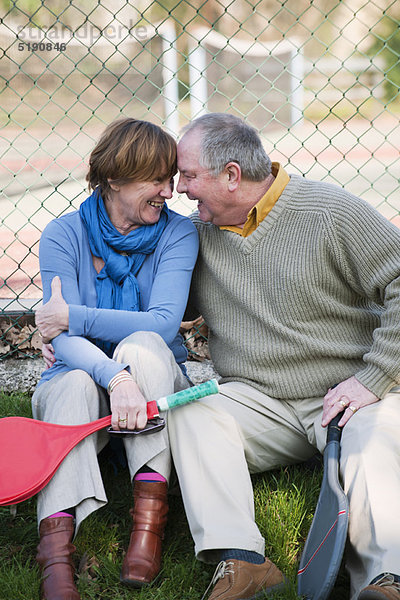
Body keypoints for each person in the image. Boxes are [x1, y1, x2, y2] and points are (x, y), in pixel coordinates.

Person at [167, 112, 400, 600]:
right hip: (259, 399)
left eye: (188, 176)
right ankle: (245, 562)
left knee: (379, 435)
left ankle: (385, 579)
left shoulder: (331, 213)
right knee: (192, 411)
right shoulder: (195, 234)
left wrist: (375, 377)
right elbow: (163, 306)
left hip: (348, 392)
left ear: (231, 175)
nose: (179, 189)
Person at [33, 117, 198, 600]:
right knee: (71, 383)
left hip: (156, 379)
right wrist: (114, 377)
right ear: (112, 179)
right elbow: (59, 341)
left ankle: (148, 525)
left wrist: (74, 316)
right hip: (90, 376)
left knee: (144, 346)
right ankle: (55, 555)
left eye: (172, 179)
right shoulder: (63, 235)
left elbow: (163, 323)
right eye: (156, 180)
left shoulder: (178, 235)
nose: (168, 192)